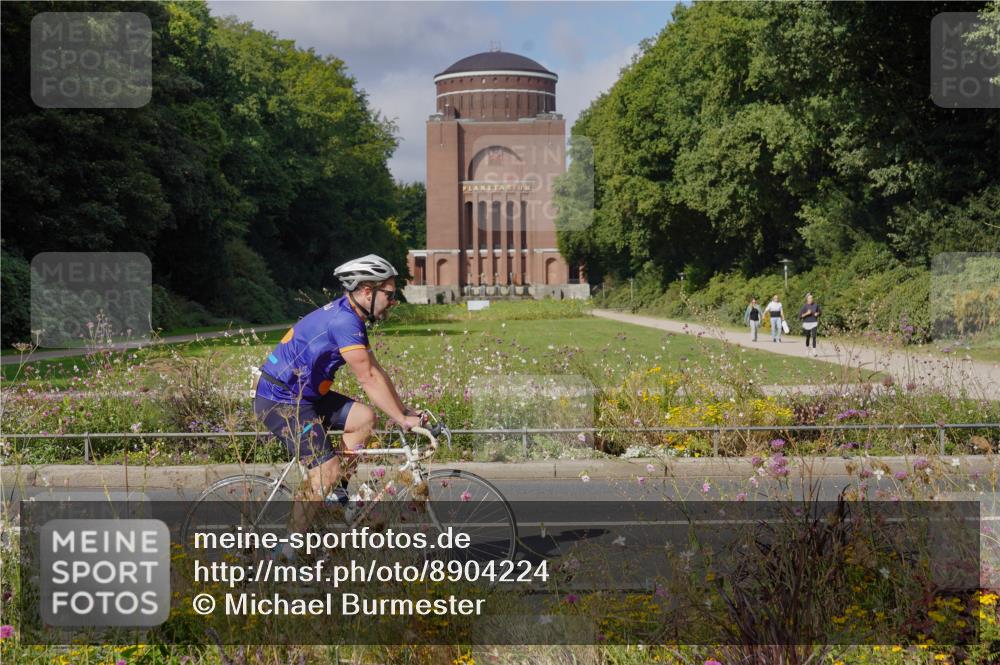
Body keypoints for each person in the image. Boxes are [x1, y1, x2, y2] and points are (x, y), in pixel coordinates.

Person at [254, 254, 423, 558]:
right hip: (282, 400)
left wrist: (403, 411)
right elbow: (368, 378)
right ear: (367, 292)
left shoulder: (351, 315)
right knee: (326, 471)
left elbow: (376, 369)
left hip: (305, 396)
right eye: (390, 294)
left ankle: (334, 498)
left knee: (364, 419)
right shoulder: (344, 321)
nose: (394, 301)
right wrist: (401, 418)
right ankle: (285, 553)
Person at [799, 292, 821, 357]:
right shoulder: (804, 306)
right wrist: (807, 313)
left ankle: (814, 351)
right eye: (809, 298)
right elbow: (800, 316)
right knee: (808, 336)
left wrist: (818, 313)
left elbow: (820, 312)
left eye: (812, 298)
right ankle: (807, 349)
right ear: (807, 299)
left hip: (814, 322)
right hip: (806, 323)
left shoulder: (816, 305)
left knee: (814, 336)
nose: (811, 299)